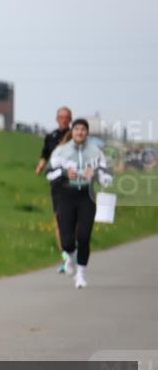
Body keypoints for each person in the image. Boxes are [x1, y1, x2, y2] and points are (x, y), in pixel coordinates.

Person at [46, 118, 112, 289]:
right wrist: (64, 173)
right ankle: (71, 255)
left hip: (86, 196)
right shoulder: (61, 151)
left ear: (87, 133)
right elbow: (49, 174)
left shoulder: (96, 152)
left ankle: (81, 275)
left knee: (84, 236)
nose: (80, 132)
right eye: (77, 129)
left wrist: (96, 174)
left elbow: (108, 178)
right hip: (66, 195)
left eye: (83, 129)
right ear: (72, 131)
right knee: (67, 239)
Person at [35, 107, 72, 272]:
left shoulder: (76, 136)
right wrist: (40, 166)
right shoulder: (51, 137)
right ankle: (66, 256)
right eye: (61, 117)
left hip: (74, 183)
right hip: (57, 184)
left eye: (66, 117)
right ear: (57, 119)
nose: (63, 120)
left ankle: (73, 250)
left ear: (70, 119)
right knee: (59, 220)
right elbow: (45, 154)